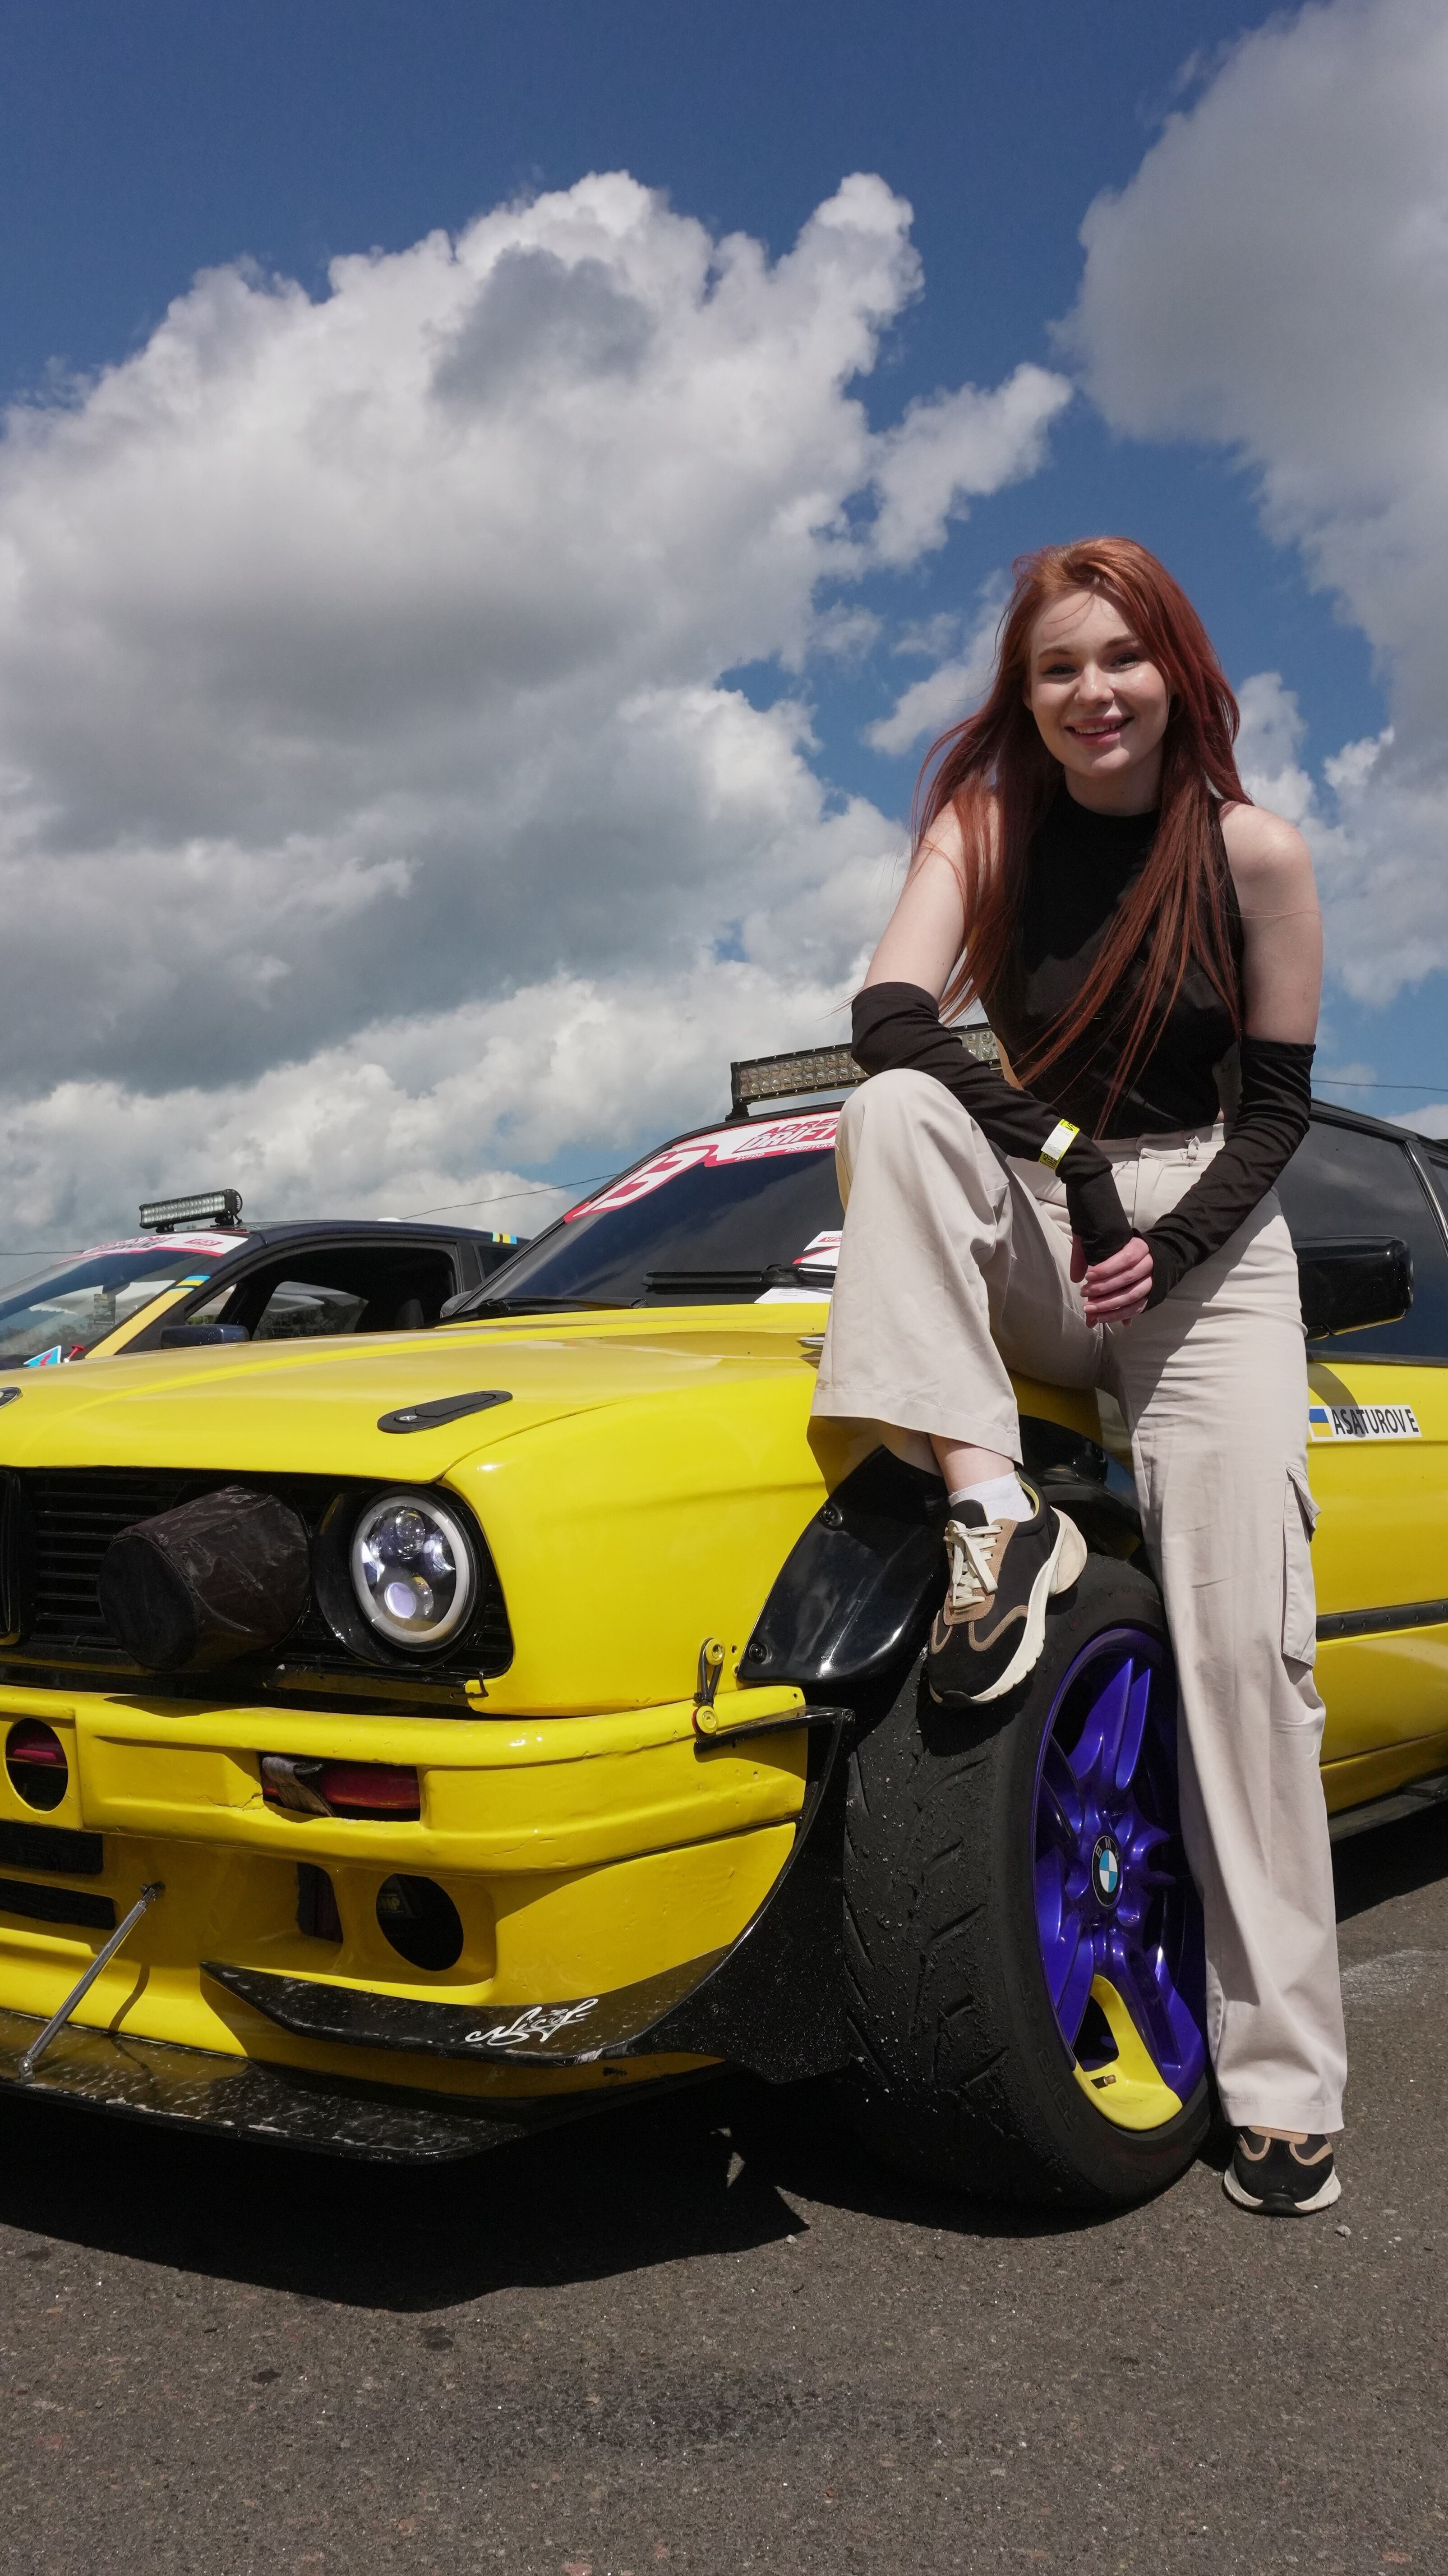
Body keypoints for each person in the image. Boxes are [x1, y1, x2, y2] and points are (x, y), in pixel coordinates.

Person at [812, 537, 1345, 2217]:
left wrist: (1166, 1247)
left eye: (1120, 658)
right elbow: (889, 1016)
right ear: (1021, 693)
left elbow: (1276, 1113)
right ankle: (995, 1512)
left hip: (1206, 1240)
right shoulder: (982, 826)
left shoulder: (1254, 853)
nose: (1091, 692)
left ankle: (1282, 2083)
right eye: (1056, 667)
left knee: (1244, 1651)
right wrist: (1064, 1164)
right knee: (890, 1112)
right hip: (1059, 1202)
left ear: (1176, 671)